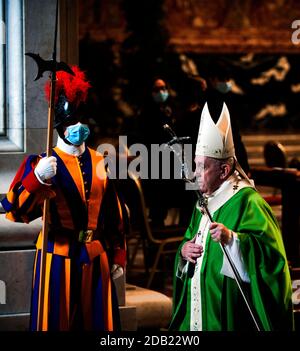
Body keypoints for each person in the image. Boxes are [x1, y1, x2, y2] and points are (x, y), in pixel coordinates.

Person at [0, 66, 126, 331]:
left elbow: (114, 213)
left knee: (100, 325)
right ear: (59, 125)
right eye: (71, 122)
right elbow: (15, 211)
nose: (79, 126)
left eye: (81, 120)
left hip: (96, 257)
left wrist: (118, 255)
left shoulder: (101, 160)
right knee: (54, 323)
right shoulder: (41, 162)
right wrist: (36, 179)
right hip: (56, 257)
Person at [169, 102, 294, 331]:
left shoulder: (249, 202)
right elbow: (190, 241)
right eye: (194, 166)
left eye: (201, 168)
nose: (194, 174)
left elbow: (273, 261)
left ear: (224, 171)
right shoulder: (204, 200)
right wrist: (184, 251)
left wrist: (233, 239)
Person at [180, 60, 250, 175]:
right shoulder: (205, 104)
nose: (226, 83)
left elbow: (235, 136)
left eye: (228, 79)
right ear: (212, 80)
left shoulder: (227, 101)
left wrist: (244, 165)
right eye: (222, 79)